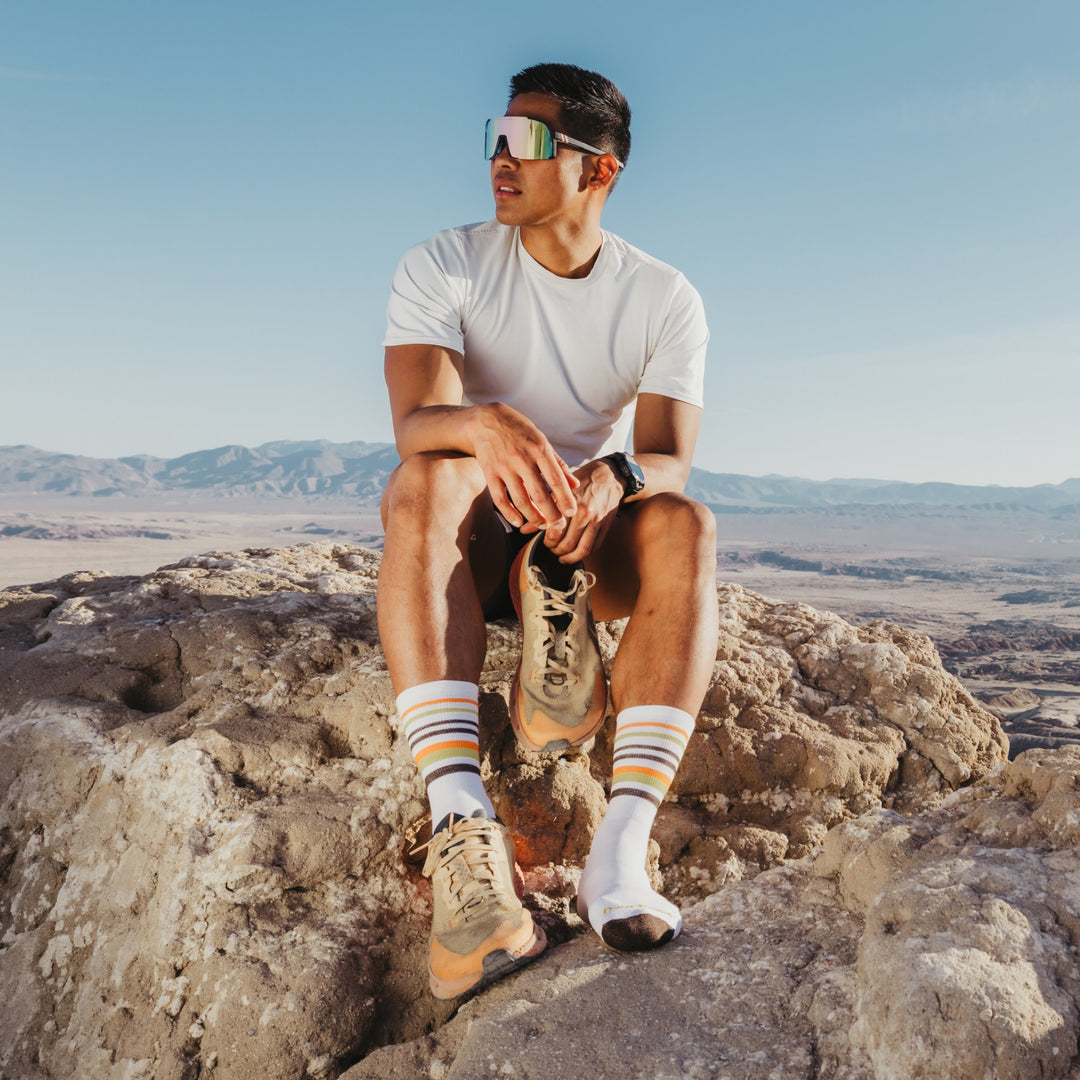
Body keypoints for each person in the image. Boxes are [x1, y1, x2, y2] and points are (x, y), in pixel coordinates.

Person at [377, 62, 718, 1000]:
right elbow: (417, 426)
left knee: (687, 522)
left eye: (527, 141)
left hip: (580, 543)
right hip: (471, 546)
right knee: (422, 483)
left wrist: (617, 477)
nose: (500, 157)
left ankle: (621, 854)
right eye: (494, 134)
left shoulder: (664, 296)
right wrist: (484, 424)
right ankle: (461, 825)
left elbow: (669, 455)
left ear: (598, 170)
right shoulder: (442, 264)